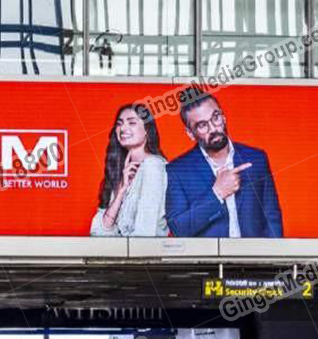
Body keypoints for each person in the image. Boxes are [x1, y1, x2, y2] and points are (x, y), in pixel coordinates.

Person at [166, 88, 283, 239]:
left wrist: (273, 252)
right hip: (207, 255)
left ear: (223, 116)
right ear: (190, 133)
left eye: (215, 117)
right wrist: (217, 193)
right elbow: (178, 229)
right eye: (202, 125)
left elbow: (272, 217)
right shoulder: (177, 171)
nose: (213, 128)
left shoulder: (256, 159)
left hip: (253, 253)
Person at [90, 103, 168, 237]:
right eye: (119, 124)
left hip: (143, 250)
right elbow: (98, 232)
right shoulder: (121, 171)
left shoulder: (153, 166)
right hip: (119, 250)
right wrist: (121, 191)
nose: (123, 128)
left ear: (147, 130)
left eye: (132, 123)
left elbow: (145, 234)